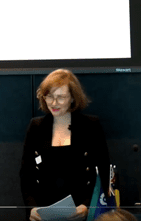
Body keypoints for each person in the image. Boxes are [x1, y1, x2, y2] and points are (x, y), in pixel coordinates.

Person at [19, 69, 111, 221]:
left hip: (81, 214)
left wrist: (88, 206)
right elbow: (26, 175)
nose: (54, 103)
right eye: (49, 96)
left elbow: (103, 172)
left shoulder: (90, 126)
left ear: (73, 98)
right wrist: (32, 208)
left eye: (61, 97)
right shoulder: (36, 127)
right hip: (44, 215)